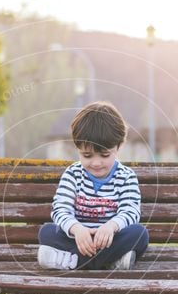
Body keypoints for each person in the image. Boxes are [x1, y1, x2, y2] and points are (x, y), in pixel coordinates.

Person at [38, 101, 149, 270]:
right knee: (46, 232)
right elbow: (60, 209)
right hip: (77, 238)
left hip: (111, 239)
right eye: (87, 155)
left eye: (104, 155)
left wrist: (111, 227)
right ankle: (111, 262)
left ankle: (72, 261)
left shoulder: (126, 177)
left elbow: (131, 211)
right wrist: (77, 229)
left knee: (139, 234)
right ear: (77, 149)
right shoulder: (72, 174)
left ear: (118, 147)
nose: (96, 163)